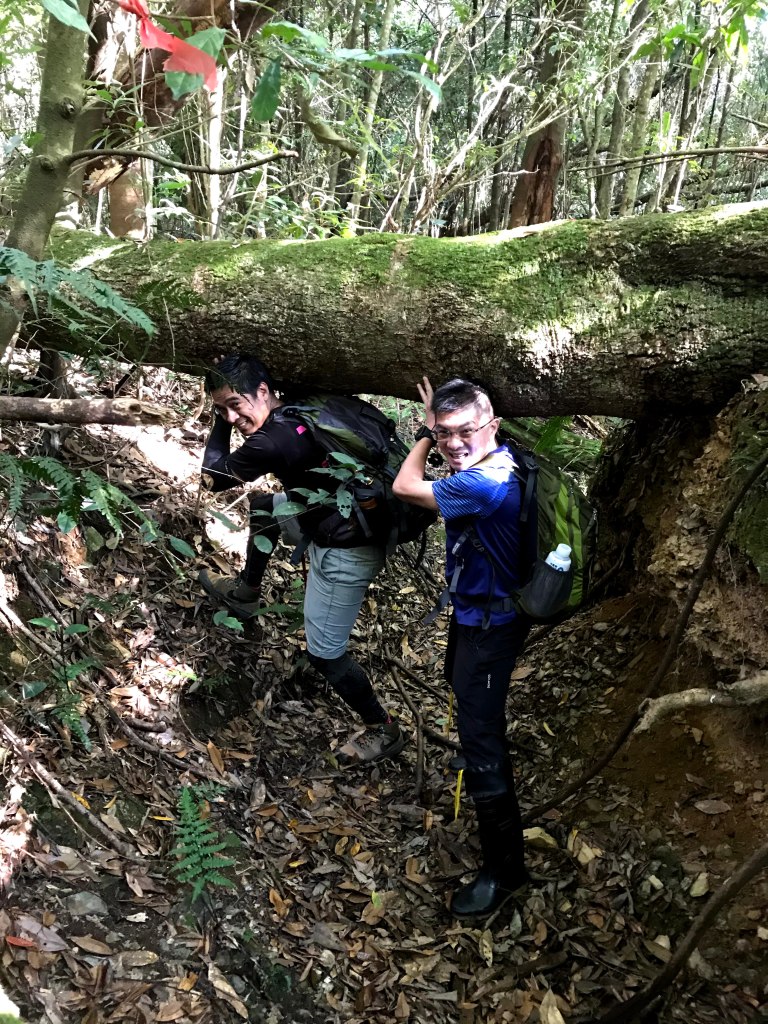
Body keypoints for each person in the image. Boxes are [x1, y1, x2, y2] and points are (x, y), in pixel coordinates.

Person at [198, 354, 405, 764]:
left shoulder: (273, 439)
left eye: (235, 405)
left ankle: (383, 728)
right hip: (339, 518)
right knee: (265, 506)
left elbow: (212, 478)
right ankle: (246, 592)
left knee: (325, 653)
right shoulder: (300, 404)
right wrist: (226, 404)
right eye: (222, 411)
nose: (231, 418)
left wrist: (219, 422)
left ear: (263, 391)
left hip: (347, 549)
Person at [393, 376, 530, 918]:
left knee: (484, 744)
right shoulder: (499, 459)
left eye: (464, 431)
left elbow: (405, 486)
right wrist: (444, 429)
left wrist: (425, 434)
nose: (453, 443)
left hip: (492, 628)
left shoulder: (484, 484)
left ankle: (505, 873)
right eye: (444, 432)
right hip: (477, 616)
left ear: (492, 426)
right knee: (459, 684)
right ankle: (474, 761)